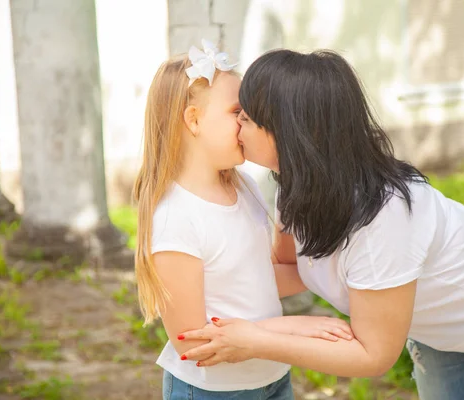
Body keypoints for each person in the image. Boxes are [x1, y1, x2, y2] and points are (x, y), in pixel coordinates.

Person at [177, 49, 464, 400]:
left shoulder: (382, 216)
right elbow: (286, 270)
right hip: (439, 329)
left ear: (289, 130)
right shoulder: (294, 186)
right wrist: (198, 286)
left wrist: (257, 341)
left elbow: (374, 356)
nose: (237, 127)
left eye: (246, 117)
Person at [133, 41, 353, 400]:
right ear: (193, 120)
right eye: (236, 111)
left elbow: (254, 280)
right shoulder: (176, 217)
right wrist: (296, 328)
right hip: (214, 391)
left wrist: (335, 270)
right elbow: (193, 339)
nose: (246, 122)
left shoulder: (245, 185)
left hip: (272, 375)